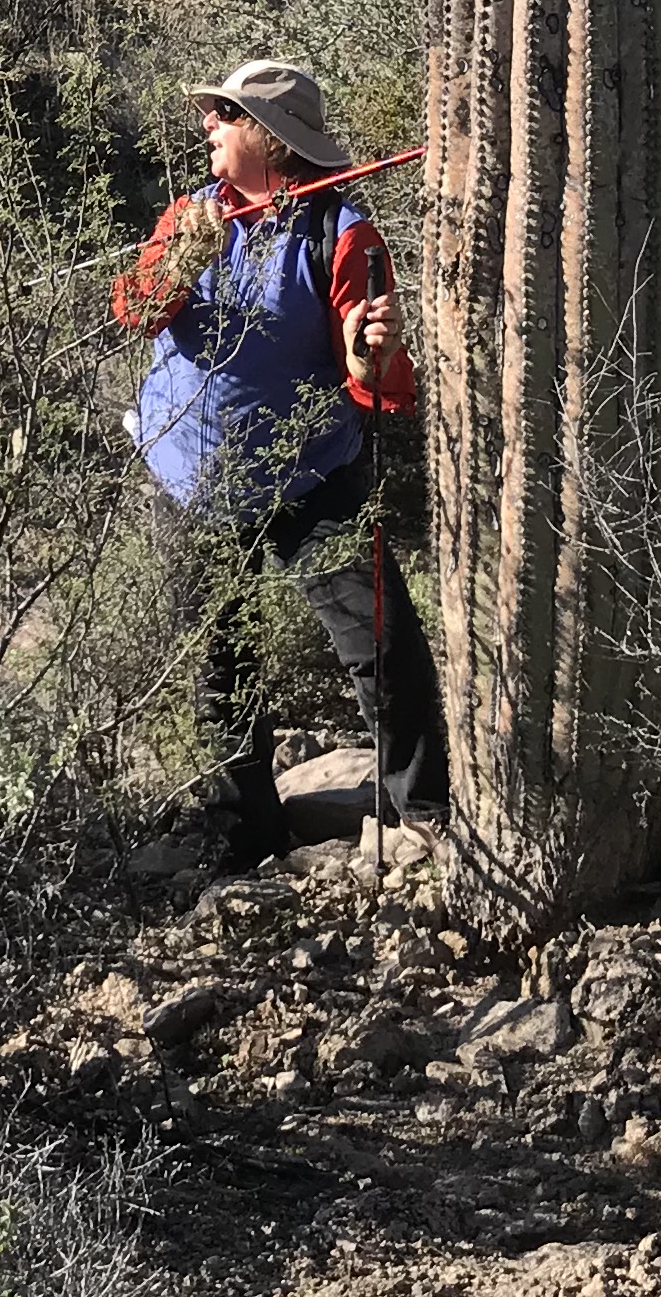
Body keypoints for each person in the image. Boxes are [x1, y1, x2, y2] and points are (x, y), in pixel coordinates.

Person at [116, 57, 444, 862]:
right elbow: (133, 310)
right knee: (218, 666)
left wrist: (371, 359)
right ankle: (245, 837)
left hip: (309, 478)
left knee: (382, 643)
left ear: (270, 138)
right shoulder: (193, 215)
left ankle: (426, 813)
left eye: (224, 116)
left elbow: (377, 384)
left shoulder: (342, 232)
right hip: (190, 478)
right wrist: (175, 262)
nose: (209, 127)